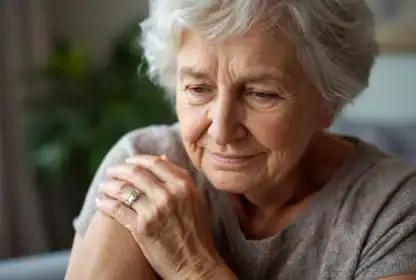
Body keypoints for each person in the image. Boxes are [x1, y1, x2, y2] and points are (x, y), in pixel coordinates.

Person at [65, 0, 416, 279]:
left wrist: (193, 268)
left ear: (329, 102)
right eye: (199, 89)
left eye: (261, 94)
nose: (220, 131)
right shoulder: (145, 167)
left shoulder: (393, 210)